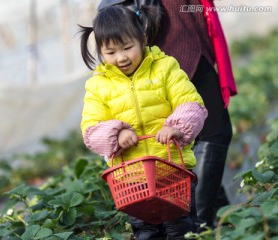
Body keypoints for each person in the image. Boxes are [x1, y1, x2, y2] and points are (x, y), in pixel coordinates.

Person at [97, 0, 238, 228]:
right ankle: (199, 221)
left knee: (195, 135)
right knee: (215, 131)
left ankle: (217, 216)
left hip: (180, 21)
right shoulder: (162, 55)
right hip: (172, 29)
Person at [78, 4, 208, 239]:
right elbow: (90, 129)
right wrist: (115, 135)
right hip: (132, 180)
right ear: (100, 51)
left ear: (143, 39)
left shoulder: (165, 67)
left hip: (172, 171)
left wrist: (176, 126)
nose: (121, 57)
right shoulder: (98, 85)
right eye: (111, 52)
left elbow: (191, 103)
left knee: (182, 229)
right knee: (147, 233)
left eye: (128, 47)